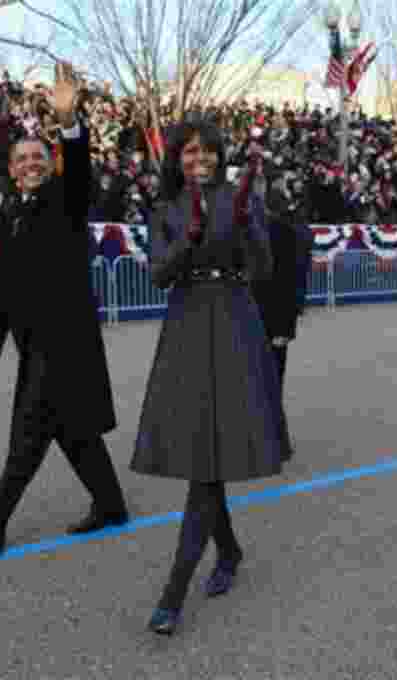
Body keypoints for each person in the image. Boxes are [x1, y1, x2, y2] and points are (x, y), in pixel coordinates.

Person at [0, 62, 129, 557]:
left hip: (65, 342)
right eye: (21, 158)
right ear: (11, 168)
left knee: (28, 432)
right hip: (33, 342)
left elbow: (79, 170)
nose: (29, 163)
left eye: (37, 156)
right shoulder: (12, 213)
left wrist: (69, 125)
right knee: (72, 431)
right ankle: (110, 504)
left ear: (50, 162)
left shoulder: (63, 200)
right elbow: (8, 286)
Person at [130, 119, 293, 635]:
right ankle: (229, 551)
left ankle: (173, 592)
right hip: (186, 326)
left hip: (235, 323)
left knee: (206, 461)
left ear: (221, 156)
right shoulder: (165, 209)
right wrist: (191, 238)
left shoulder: (241, 199)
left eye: (209, 150)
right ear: (178, 157)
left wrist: (245, 224)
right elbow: (158, 274)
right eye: (191, 151)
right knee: (205, 454)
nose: (201, 158)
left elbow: (264, 267)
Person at [252, 175, 306, 394]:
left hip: (272, 322)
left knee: (271, 384)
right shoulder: (229, 231)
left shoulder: (283, 231)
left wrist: (285, 328)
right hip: (238, 322)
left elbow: (291, 280)